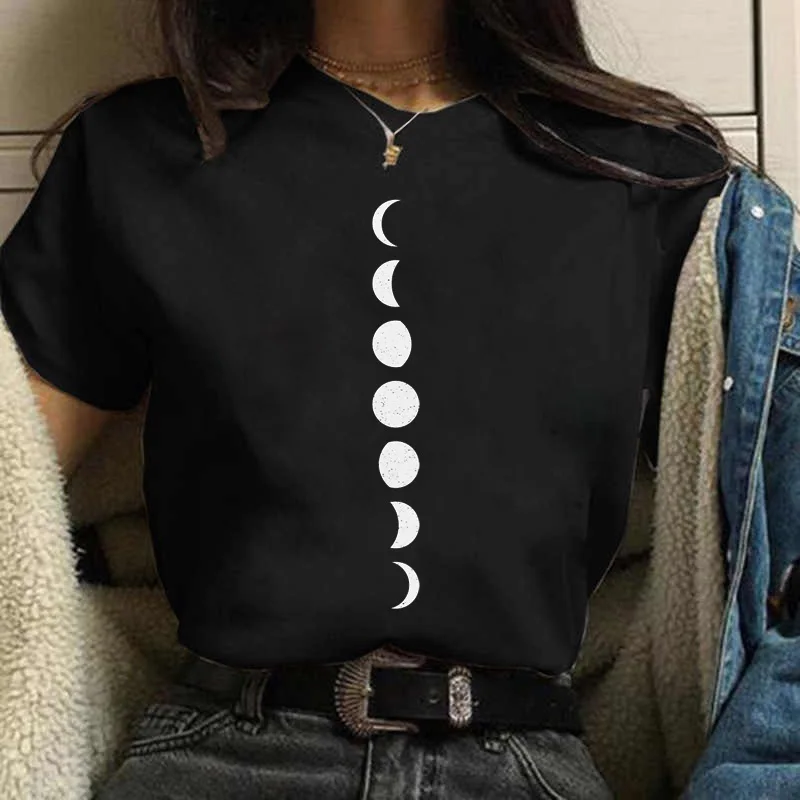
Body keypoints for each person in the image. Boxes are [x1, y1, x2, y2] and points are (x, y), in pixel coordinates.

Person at [0, 1, 742, 797]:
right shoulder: (140, 150)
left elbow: (762, 535)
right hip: (225, 758)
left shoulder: (649, 171)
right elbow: (16, 486)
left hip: (525, 762)